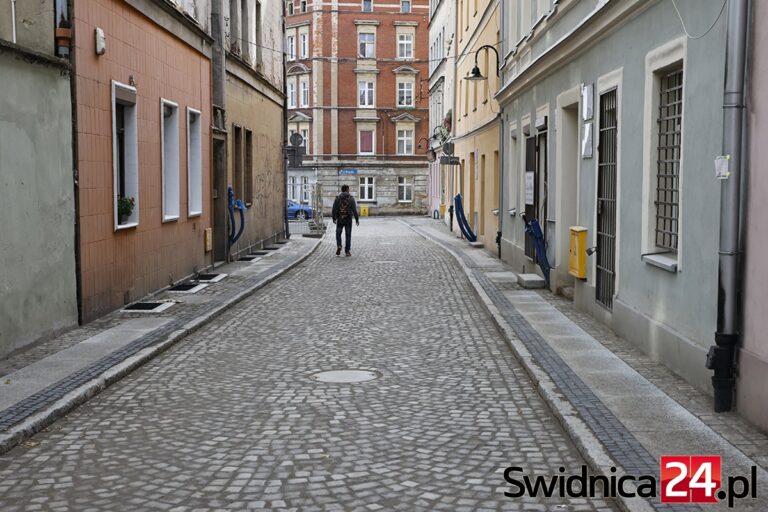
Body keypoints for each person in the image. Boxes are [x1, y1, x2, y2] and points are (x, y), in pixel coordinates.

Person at [331, 184, 360, 256]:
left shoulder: (337, 198)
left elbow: (334, 209)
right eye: (348, 189)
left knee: (338, 233)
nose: (349, 190)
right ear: (347, 189)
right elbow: (354, 210)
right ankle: (347, 251)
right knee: (348, 235)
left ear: (342, 190)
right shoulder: (351, 198)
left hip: (340, 219)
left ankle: (339, 245)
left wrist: (333, 218)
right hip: (348, 219)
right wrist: (357, 219)